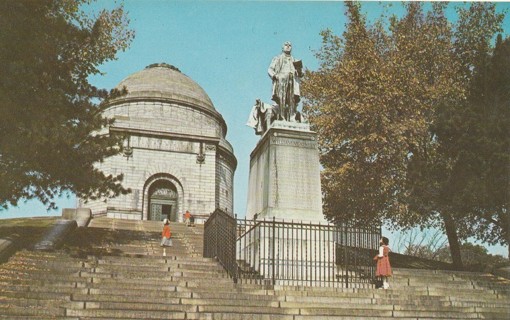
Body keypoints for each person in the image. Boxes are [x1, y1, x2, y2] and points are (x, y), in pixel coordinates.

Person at [268, 41, 303, 122]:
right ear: (282, 47)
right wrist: (275, 75)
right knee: (282, 98)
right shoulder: (277, 58)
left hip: (292, 80)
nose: (288, 46)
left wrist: (299, 70)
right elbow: (270, 69)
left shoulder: (294, 60)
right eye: (286, 45)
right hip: (281, 80)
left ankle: (292, 116)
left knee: (292, 99)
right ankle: (282, 116)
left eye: (290, 45)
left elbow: (301, 73)